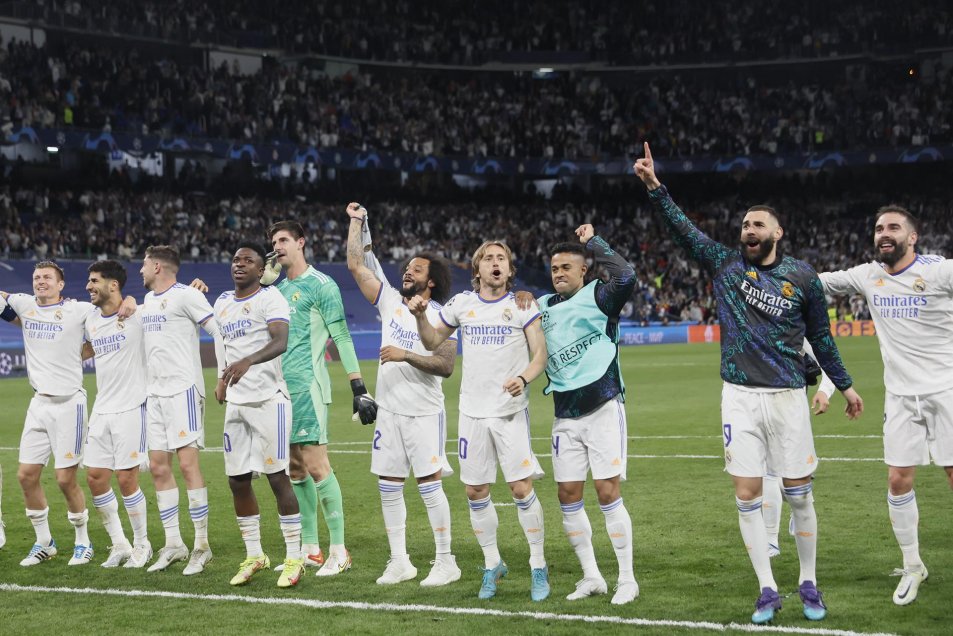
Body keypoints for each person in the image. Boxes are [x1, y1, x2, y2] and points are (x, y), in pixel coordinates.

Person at [634, 142, 864, 624]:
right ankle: (766, 588)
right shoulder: (725, 265)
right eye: (744, 225)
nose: (749, 230)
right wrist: (656, 187)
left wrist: (843, 386)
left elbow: (821, 340)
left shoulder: (802, 278)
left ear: (778, 232)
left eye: (758, 224)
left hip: (786, 398)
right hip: (738, 398)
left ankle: (808, 581)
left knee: (800, 492)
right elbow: (684, 231)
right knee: (746, 495)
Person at [818, 205, 953, 606]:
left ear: (913, 237)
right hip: (900, 397)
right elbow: (817, 282)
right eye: (879, 228)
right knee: (897, 480)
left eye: (893, 227)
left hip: (947, 391)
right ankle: (913, 567)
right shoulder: (868, 275)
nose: (884, 233)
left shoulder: (938, 271)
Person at [411, 240, 551, 602]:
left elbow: (540, 355)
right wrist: (418, 316)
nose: (495, 263)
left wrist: (523, 379)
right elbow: (430, 342)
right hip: (472, 413)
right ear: (477, 269)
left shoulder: (522, 305)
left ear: (509, 269)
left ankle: (538, 565)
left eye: (501, 258)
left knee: (521, 489)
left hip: (509, 413)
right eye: (488, 258)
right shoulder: (462, 304)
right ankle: (493, 564)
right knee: (475, 491)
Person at [344, 202, 461, 587]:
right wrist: (356, 222)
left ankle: (446, 561)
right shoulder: (391, 303)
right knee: (388, 486)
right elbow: (357, 267)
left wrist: (405, 355)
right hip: (389, 412)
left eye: (417, 268)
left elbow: (445, 366)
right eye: (407, 266)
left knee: (429, 487)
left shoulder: (444, 315)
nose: (408, 269)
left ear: (431, 281)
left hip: (424, 413)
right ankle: (400, 561)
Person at [531, 225, 640, 605]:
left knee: (607, 492)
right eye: (554, 268)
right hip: (565, 415)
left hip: (603, 407)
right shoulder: (542, 307)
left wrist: (593, 243)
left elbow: (626, 274)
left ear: (583, 271)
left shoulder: (600, 296)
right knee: (567, 496)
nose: (559, 273)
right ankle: (591, 576)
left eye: (566, 267)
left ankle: (627, 579)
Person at [267, 220, 377, 576]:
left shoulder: (321, 285)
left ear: (301, 242)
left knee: (317, 465)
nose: (277, 246)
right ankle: (311, 548)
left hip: (309, 388)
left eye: (283, 239)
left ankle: (339, 550)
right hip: (281, 393)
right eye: (273, 241)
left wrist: (358, 386)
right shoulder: (277, 291)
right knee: (294, 469)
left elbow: (342, 336)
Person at [213, 243, 303, 588]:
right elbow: (223, 346)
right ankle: (255, 554)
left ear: (259, 268)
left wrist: (248, 360)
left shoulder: (270, 299)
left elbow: (280, 341)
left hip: (269, 400)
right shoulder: (222, 302)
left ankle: (293, 557)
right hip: (237, 402)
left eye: (247, 260)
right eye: (235, 259)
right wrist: (223, 379)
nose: (239, 264)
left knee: (277, 476)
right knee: (237, 479)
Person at [0, 262, 94, 566]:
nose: (41, 282)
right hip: (38, 404)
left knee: (65, 479)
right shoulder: (24, 305)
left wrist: (78, 354)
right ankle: (45, 542)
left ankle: (83, 541)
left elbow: (108, 321)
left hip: (70, 404)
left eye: (47, 278)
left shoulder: (78, 310)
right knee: (26, 476)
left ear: (61, 284)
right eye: (37, 277)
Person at [137, 245, 221, 575]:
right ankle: (174, 544)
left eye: (144, 265)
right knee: (159, 467)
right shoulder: (147, 301)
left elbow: (217, 331)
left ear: (158, 266)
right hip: (155, 395)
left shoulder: (188, 295)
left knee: (187, 465)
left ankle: (202, 545)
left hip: (183, 390)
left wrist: (223, 376)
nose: (140, 271)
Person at [83, 260, 152, 569]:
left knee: (126, 478)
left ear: (113, 285)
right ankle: (120, 543)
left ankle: (142, 544)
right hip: (102, 409)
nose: (88, 286)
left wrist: (134, 301)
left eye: (94, 280)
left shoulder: (137, 315)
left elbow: (167, 305)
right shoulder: (90, 320)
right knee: (96, 478)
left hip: (132, 407)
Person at [764, 341, 836, 558]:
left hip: (793, 411)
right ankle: (770, 539)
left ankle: (801, 509)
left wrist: (823, 392)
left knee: (795, 478)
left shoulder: (798, 329)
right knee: (766, 471)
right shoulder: (752, 326)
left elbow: (830, 365)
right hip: (759, 410)